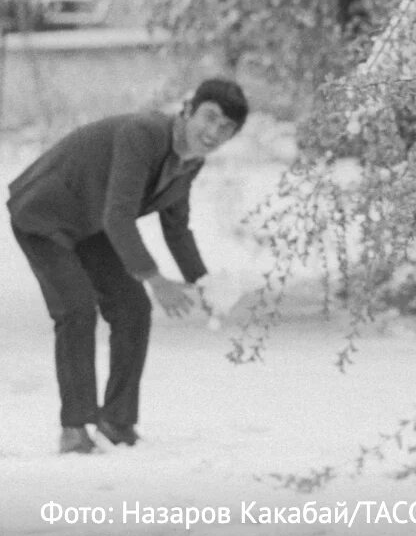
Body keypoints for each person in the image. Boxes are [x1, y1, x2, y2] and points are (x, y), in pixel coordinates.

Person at [8, 78, 249, 454]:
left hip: (91, 222)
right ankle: (75, 427)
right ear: (188, 109)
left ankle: (116, 421)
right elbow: (119, 216)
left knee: (132, 308)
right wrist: (156, 279)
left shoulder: (188, 163)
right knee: (76, 307)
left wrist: (202, 283)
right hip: (45, 214)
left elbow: (176, 228)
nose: (214, 132)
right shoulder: (145, 134)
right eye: (210, 117)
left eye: (226, 128)